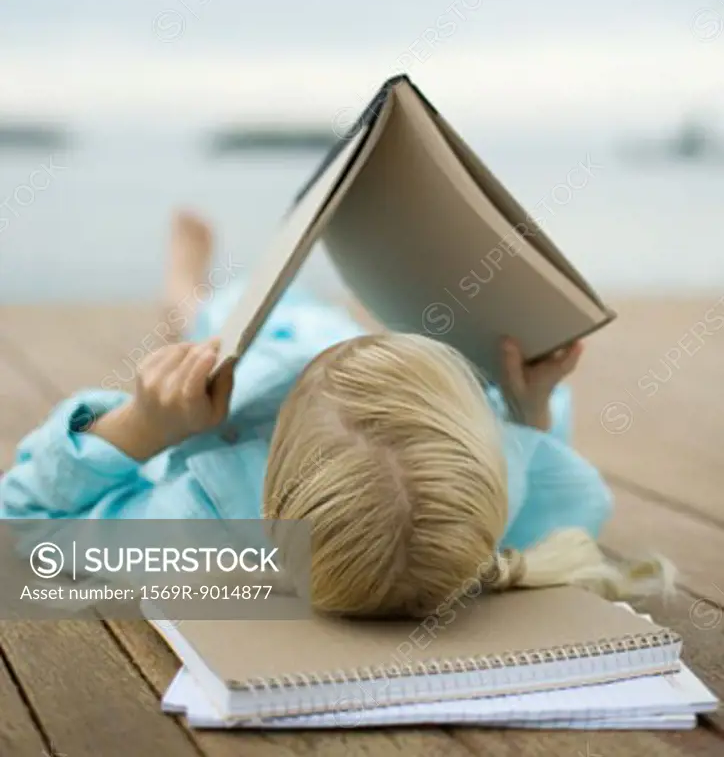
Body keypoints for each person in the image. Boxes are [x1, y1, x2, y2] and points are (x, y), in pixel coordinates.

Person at [0, 212, 669, 616]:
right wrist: (529, 411)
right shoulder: (486, 493)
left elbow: (25, 524)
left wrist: (143, 428)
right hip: (317, 350)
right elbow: (533, 466)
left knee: (216, 319)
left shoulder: (201, 527)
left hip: (252, 359)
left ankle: (184, 285)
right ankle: (353, 317)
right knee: (311, 321)